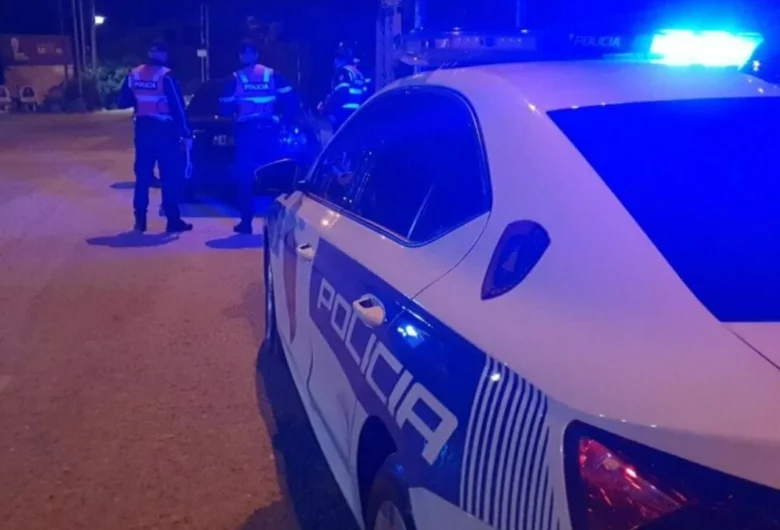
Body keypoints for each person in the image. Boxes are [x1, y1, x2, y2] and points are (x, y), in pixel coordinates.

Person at [219, 40, 300, 235]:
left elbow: (224, 108)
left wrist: (234, 122)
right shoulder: (273, 75)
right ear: (256, 55)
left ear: (241, 56)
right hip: (269, 131)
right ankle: (278, 223)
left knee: (245, 178)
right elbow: (291, 102)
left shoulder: (235, 78)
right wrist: (284, 121)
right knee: (274, 176)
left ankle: (246, 223)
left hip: (247, 133)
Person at [118, 40, 193, 234]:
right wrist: (186, 132)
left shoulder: (134, 74)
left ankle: (140, 221)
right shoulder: (166, 76)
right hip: (165, 131)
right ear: (164, 55)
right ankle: (173, 221)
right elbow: (178, 107)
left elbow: (122, 101)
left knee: (143, 176)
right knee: (169, 176)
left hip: (143, 130)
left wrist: (140, 101)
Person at [318, 44, 368, 133]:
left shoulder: (343, 73)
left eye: (336, 58)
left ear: (339, 59)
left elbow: (339, 94)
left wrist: (325, 106)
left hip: (343, 117)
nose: (334, 62)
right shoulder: (357, 73)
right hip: (357, 115)